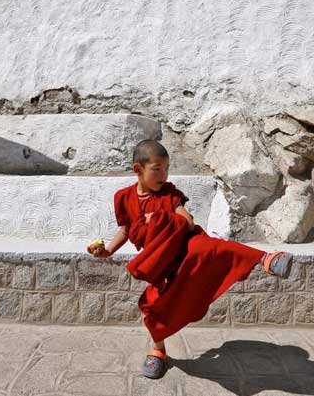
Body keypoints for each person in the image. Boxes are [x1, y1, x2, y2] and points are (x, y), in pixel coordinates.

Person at [87, 139, 293, 379]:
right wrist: (109, 251)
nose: (163, 175)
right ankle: (158, 351)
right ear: (138, 170)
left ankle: (265, 258)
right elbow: (125, 229)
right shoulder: (122, 198)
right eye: (157, 169)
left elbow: (187, 221)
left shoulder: (171, 194)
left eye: (166, 168)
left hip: (183, 246)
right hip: (159, 260)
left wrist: (159, 219)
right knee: (153, 307)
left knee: (210, 248)